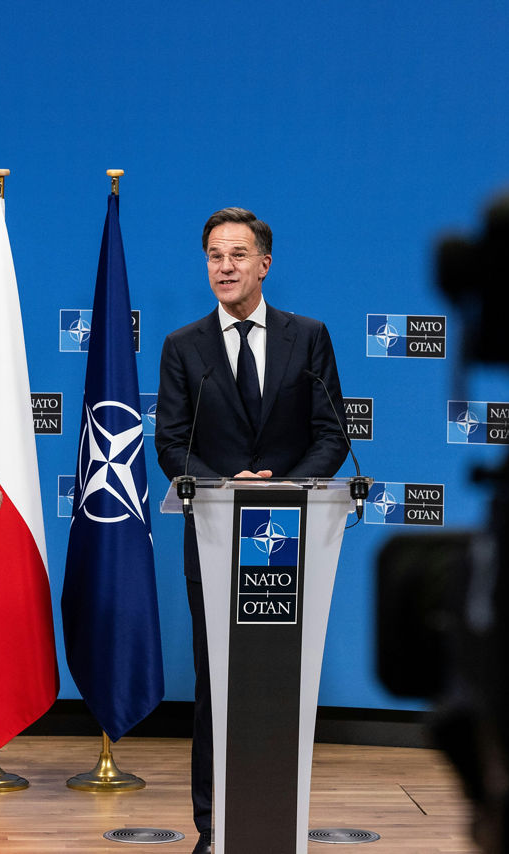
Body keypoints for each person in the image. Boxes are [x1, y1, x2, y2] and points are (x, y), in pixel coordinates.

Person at [154, 208, 349, 854]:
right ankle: (213, 831)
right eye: (214, 255)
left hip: (291, 540)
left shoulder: (309, 337)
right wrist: (229, 487)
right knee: (217, 688)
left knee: (278, 685)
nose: (225, 267)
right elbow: (172, 446)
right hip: (213, 539)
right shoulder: (185, 348)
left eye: (238, 255)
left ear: (265, 264)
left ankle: (276, 825)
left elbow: (333, 434)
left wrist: (281, 492)